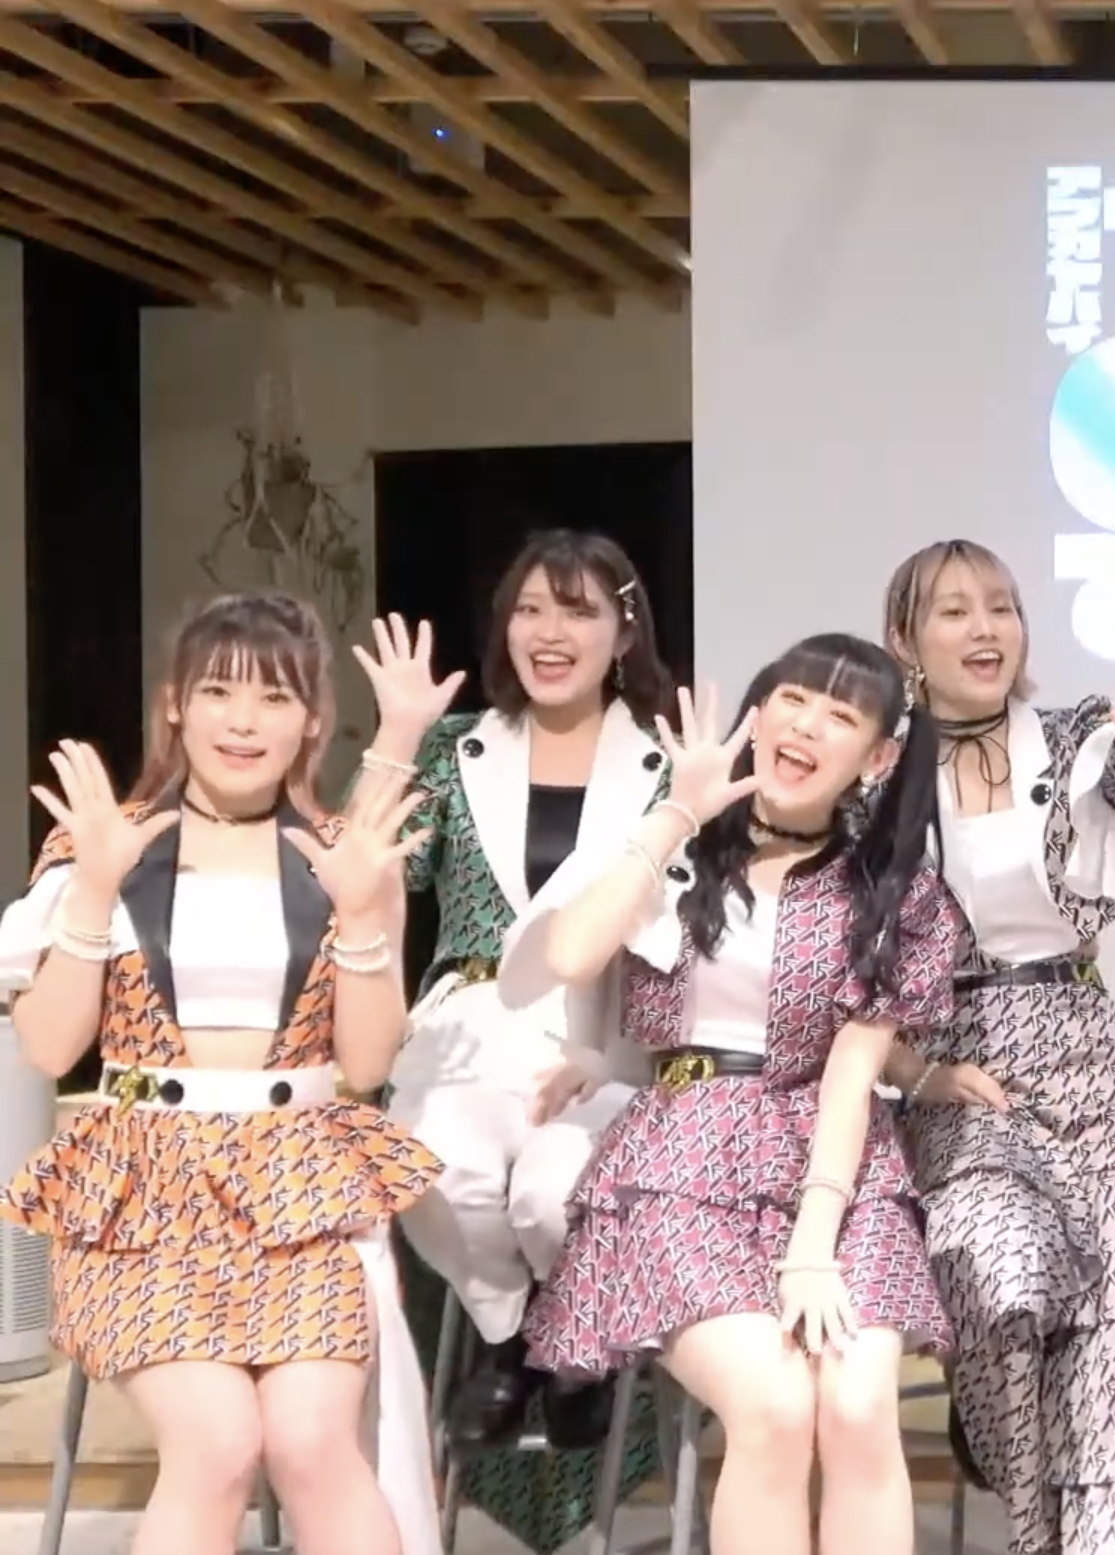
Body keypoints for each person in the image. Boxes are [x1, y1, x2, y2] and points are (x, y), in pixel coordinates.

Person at [0, 591, 445, 1555]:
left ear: (312, 720)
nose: (243, 721)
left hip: (298, 1186)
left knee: (313, 1442)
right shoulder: (105, 841)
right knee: (218, 1443)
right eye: (218, 692)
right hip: (139, 1191)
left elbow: (368, 1062)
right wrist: (94, 889)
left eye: (274, 698)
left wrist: (363, 914)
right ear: (175, 704)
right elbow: (48, 1046)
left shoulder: (342, 854)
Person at [502, 640, 958, 1555]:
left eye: (839, 716)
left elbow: (850, 1075)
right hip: (679, 1160)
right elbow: (571, 954)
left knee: (858, 1404)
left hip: (837, 1165)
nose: (806, 725)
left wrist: (813, 1246)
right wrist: (677, 812)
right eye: (792, 699)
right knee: (776, 1406)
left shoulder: (893, 891)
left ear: (875, 757)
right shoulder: (678, 848)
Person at [876, 538, 1115, 1555]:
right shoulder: (876, 772)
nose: (985, 628)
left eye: (1002, 606)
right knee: (995, 1267)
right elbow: (831, 963)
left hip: (1084, 1059)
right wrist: (917, 1072)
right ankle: (1000, 1429)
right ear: (904, 640)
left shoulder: (1074, 739)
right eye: (953, 610)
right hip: (957, 1074)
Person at [342, 534, 675, 1547]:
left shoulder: (667, 761)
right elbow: (360, 865)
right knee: (433, 1168)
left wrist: (621, 1054)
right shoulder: (455, 747)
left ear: (624, 630)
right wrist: (397, 733)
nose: (549, 631)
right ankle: (510, 1331)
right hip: (467, 1020)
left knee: (553, 1192)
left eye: (577, 609)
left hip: (602, 1025)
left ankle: (572, 1345)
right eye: (530, 608)